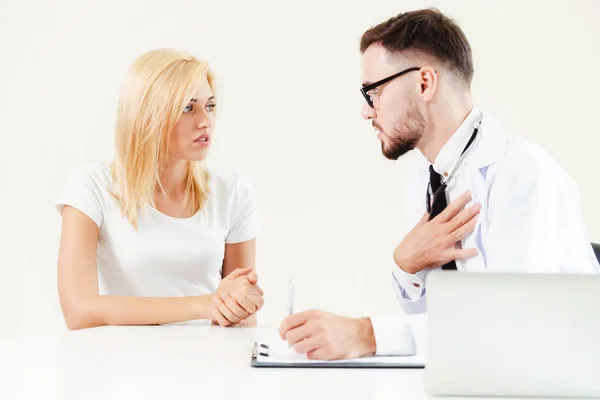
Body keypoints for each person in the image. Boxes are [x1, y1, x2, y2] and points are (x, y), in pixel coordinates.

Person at [279, 8, 600, 360]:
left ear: (424, 83)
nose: (367, 110)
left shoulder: (523, 173)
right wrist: (406, 265)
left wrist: (365, 334)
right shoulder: (427, 179)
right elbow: (437, 333)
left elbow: (514, 328)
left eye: (373, 92)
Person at [56, 49, 264, 330]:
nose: (206, 121)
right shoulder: (92, 185)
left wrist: (241, 302)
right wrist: (203, 304)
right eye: (188, 107)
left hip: (209, 366)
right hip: (121, 366)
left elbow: (242, 321)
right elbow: (79, 311)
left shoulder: (233, 192)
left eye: (210, 106)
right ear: (148, 115)